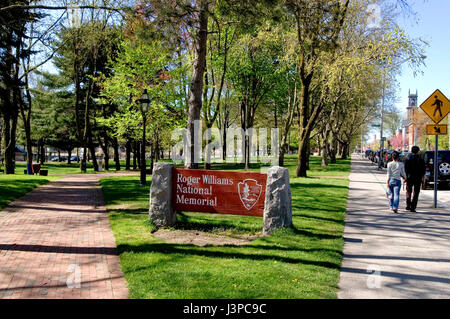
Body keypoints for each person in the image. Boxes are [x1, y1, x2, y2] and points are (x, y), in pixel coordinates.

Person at [404, 146, 426, 213]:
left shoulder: (408, 159)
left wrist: (405, 177)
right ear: (418, 151)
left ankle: (408, 205)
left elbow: (405, 169)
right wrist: (423, 179)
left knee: (408, 191)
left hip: (409, 177)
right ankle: (413, 207)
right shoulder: (421, 159)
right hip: (418, 178)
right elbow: (423, 171)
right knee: (416, 193)